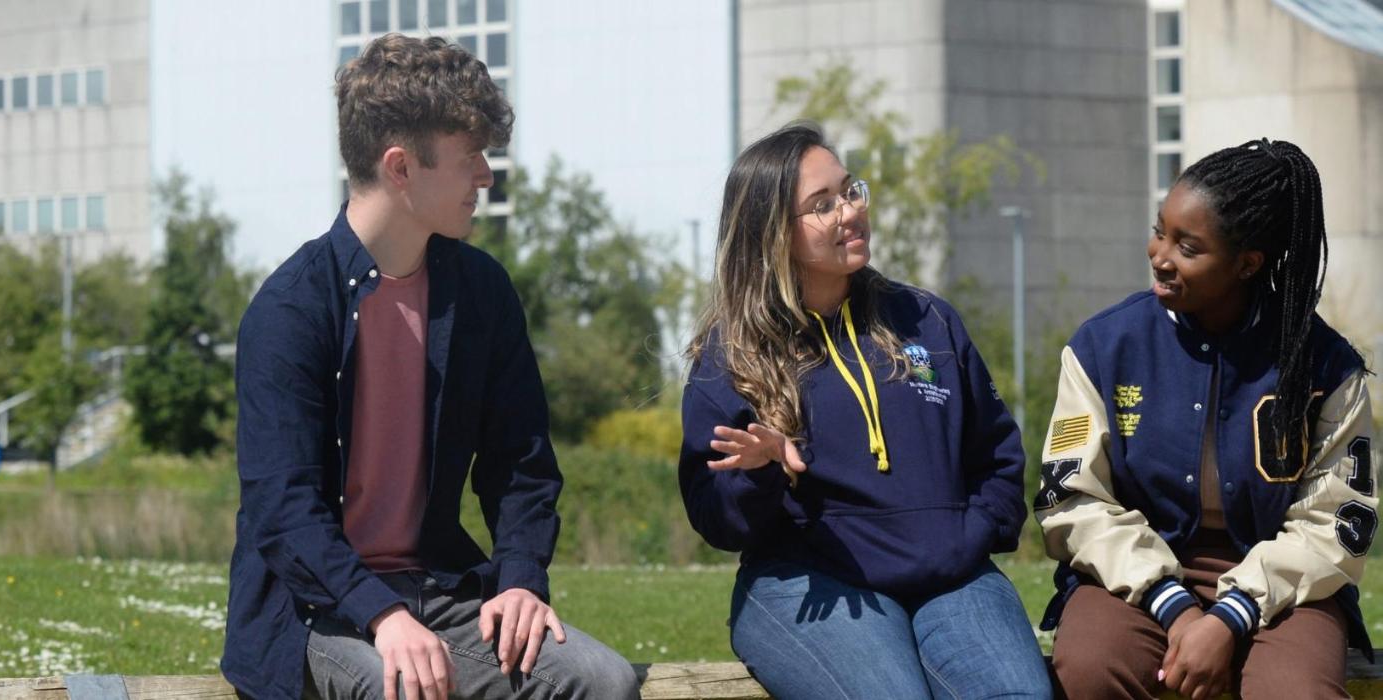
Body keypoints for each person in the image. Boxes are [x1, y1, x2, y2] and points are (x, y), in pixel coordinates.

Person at [222, 33, 638, 700]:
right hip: (317, 610)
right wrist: (381, 615)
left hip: (440, 589)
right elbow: (284, 511)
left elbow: (522, 464)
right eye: (469, 155)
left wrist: (522, 579)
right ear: (400, 167)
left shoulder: (481, 293)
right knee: (402, 691)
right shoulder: (290, 310)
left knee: (602, 681)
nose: (486, 175)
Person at [677, 122, 1051, 699]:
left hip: (951, 578)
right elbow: (717, 520)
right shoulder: (732, 353)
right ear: (772, 232)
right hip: (810, 581)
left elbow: (997, 454)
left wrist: (968, 535)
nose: (849, 212)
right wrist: (761, 474)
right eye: (821, 205)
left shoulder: (926, 320)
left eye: (850, 192)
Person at [1036, 138, 1376, 699]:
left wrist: (1232, 614)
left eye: (1187, 247)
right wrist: (1176, 607)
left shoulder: (1326, 365)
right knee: (1092, 671)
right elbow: (1073, 500)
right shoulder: (1103, 347)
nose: (1159, 254)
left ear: (1246, 264)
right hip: (1132, 572)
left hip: (1286, 584)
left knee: (1298, 692)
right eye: (1160, 230)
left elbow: (1334, 524)